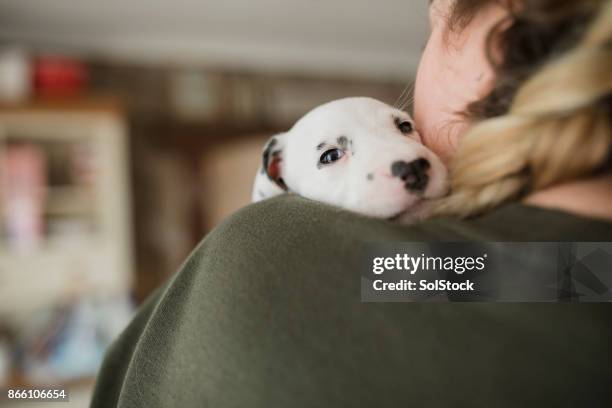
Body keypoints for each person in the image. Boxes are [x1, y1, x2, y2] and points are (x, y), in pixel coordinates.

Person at [91, 1, 612, 407]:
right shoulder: (573, 269)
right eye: (333, 154)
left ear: (500, 30)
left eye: (433, 25)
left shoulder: (278, 253)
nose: (407, 152)